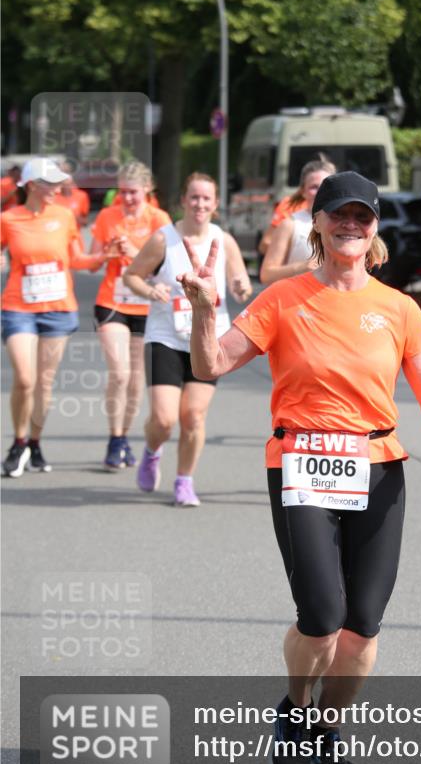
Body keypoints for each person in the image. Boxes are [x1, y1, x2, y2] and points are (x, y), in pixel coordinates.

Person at [181, 170, 421, 764]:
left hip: (378, 467)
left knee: (362, 621)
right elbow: (210, 365)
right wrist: (206, 309)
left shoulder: (398, 308)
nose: (350, 225)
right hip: (302, 464)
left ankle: (327, 728)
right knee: (321, 611)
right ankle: (294, 708)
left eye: (362, 217)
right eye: (338, 214)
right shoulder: (283, 300)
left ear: (373, 231)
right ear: (315, 222)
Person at [123, 172, 252, 506]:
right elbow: (132, 275)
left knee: (193, 416)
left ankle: (184, 481)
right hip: (165, 337)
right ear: (183, 200)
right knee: (164, 420)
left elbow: (241, 283)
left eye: (206, 198)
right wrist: (151, 290)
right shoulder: (163, 240)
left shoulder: (223, 241)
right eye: (194, 197)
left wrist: (241, 287)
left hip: (208, 340)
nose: (200, 204)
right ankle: (152, 451)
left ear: (216, 204)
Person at [0, 157, 109, 477]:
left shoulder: (64, 216)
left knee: (44, 382)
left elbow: (76, 258)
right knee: (25, 378)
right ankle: (18, 443)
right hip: (19, 307)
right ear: (32, 185)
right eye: (51, 183)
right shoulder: (9, 218)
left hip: (57, 309)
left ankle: (35, 443)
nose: (58, 188)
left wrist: (103, 257)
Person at [89, 161, 171, 470]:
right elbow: (96, 261)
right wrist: (108, 251)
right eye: (122, 192)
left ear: (147, 189)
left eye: (133, 192)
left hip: (147, 305)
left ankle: (124, 438)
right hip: (113, 301)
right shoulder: (108, 216)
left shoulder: (159, 219)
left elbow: (163, 263)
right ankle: (114, 437)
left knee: (136, 380)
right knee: (120, 373)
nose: (127, 199)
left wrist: (134, 248)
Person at [259, 158, 335, 284]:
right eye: (314, 187)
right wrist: (301, 267)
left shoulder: (349, 223)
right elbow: (266, 274)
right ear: (303, 192)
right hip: (299, 300)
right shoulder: (290, 224)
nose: (320, 192)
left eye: (325, 186)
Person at [53, 164, 91, 229]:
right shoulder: (51, 197)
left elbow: (85, 222)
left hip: (74, 237)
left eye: (66, 172)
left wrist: (71, 216)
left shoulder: (81, 196)